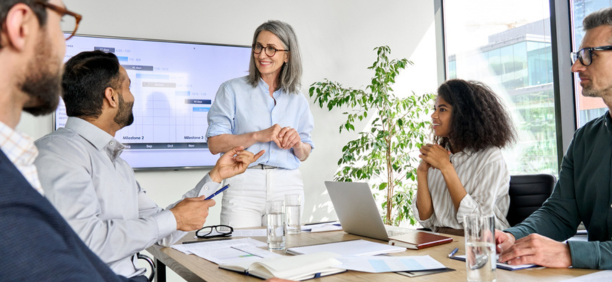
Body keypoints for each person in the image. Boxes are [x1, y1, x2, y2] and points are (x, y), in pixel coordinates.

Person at [32, 50, 265, 278]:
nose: (132, 97)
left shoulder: (116, 164)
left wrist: (216, 176)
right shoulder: (59, 153)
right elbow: (86, 242)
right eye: (128, 87)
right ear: (111, 96)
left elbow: (163, 230)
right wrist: (173, 218)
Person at [495, 7, 612, 270]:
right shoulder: (585, 139)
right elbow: (560, 214)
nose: (575, 66)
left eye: (588, 55)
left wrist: (571, 254)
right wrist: (513, 236)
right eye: (578, 56)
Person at [206, 20, 315, 228]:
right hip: (244, 183)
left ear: (287, 55)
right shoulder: (231, 90)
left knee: (287, 255)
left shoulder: (298, 98)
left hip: (288, 185)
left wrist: (297, 144)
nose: (262, 54)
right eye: (258, 46)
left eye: (271, 49)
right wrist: (257, 136)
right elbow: (214, 144)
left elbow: (305, 152)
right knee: (239, 254)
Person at [412, 79, 516, 236]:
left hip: (478, 244)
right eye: (435, 109)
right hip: (440, 239)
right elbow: (426, 220)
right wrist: (422, 172)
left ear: (462, 114)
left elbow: (479, 223)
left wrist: (446, 168)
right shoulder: (439, 154)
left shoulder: (490, 158)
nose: (433, 115)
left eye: (442, 109)